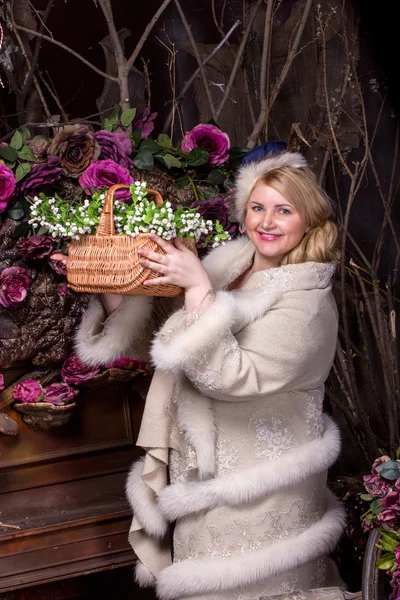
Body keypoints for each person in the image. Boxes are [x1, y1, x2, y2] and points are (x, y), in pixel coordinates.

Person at [57, 152, 346, 600]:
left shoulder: (307, 303)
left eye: (284, 210)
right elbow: (169, 342)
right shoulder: (231, 267)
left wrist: (196, 288)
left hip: (259, 483)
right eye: (257, 207)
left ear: (308, 220)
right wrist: (116, 287)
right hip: (201, 473)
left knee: (254, 587)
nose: (266, 222)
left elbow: (231, 378)